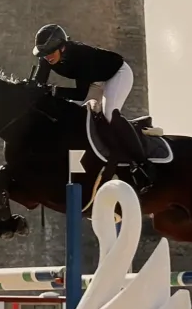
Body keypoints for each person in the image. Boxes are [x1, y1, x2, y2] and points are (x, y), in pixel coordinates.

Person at [30, 23, 152, 193]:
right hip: (95, 80)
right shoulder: (46, 58)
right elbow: (38, 85)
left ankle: (141, 164)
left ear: (62, 48)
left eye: (50, 53)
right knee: (78, 117)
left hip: (117, 74)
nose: (47, 57)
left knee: (109, 114)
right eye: (44, 54)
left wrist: (53, 90)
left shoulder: (79, 57)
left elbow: (80, 94)